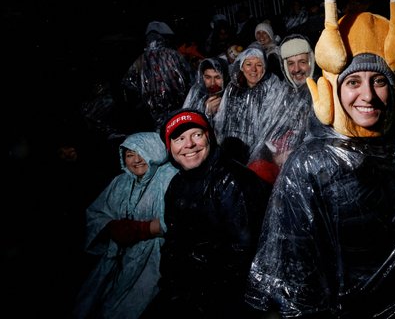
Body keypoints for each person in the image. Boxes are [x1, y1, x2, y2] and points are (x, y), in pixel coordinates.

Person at [245, 0, 395, 318]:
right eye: (354, 82)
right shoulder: (310, 163)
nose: (367, 95)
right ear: (334, 90)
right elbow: (293, 260)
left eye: (379, 81)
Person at [140, 109, 271, 319]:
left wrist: (200, 296)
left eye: (196, 135)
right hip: (192, 285)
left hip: (229, 292)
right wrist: (172, 283)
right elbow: (174, 241)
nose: (189, 144)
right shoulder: (177, 184)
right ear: (169, 147)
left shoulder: (232, 180)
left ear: (209, 137)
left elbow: (244, 254)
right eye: (179, 138)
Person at [72, 132, 179, 319]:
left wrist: (142, 229)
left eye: (142, 153)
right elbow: (97, 212)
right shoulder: (121, 181)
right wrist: (111, 227)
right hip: (116, 256)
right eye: (129, 155)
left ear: (154, 152)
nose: (136, 160)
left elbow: (178, 221)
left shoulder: (169, 176)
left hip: (153, 259)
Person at [245, 34, 318, 183]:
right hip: (275, 159)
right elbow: (268, 131)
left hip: (305, 164)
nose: (296, 69)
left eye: (302, 62)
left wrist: (292, 154)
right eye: (290, 63)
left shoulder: (321, 89)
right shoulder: (282, 91)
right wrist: (272, 153)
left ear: (311, 61)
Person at [214, 45, 287, 165]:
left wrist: (259, 153)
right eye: (248, 64)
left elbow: (271, 126)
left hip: (257, 156)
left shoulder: (272, 89)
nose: (253, 70)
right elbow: (221, 119)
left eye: (258, 65)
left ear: (264, 68)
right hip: (229, 150)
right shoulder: (232, 88)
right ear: (242, 67)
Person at [121, 21, 194, 131]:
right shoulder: (174, 56)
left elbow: (128, 84)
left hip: (154, 113)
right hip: (179, 106)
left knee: (163, 134)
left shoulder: (140, 60)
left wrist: (145, 98)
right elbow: (190, 79)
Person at [182, 56, 230, 125]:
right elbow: (186, 120)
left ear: (225, 78)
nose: (212, 83)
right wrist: (205, 111)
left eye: (217, 77)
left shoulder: (232, 95)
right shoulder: (196, 92)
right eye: (208, 77)